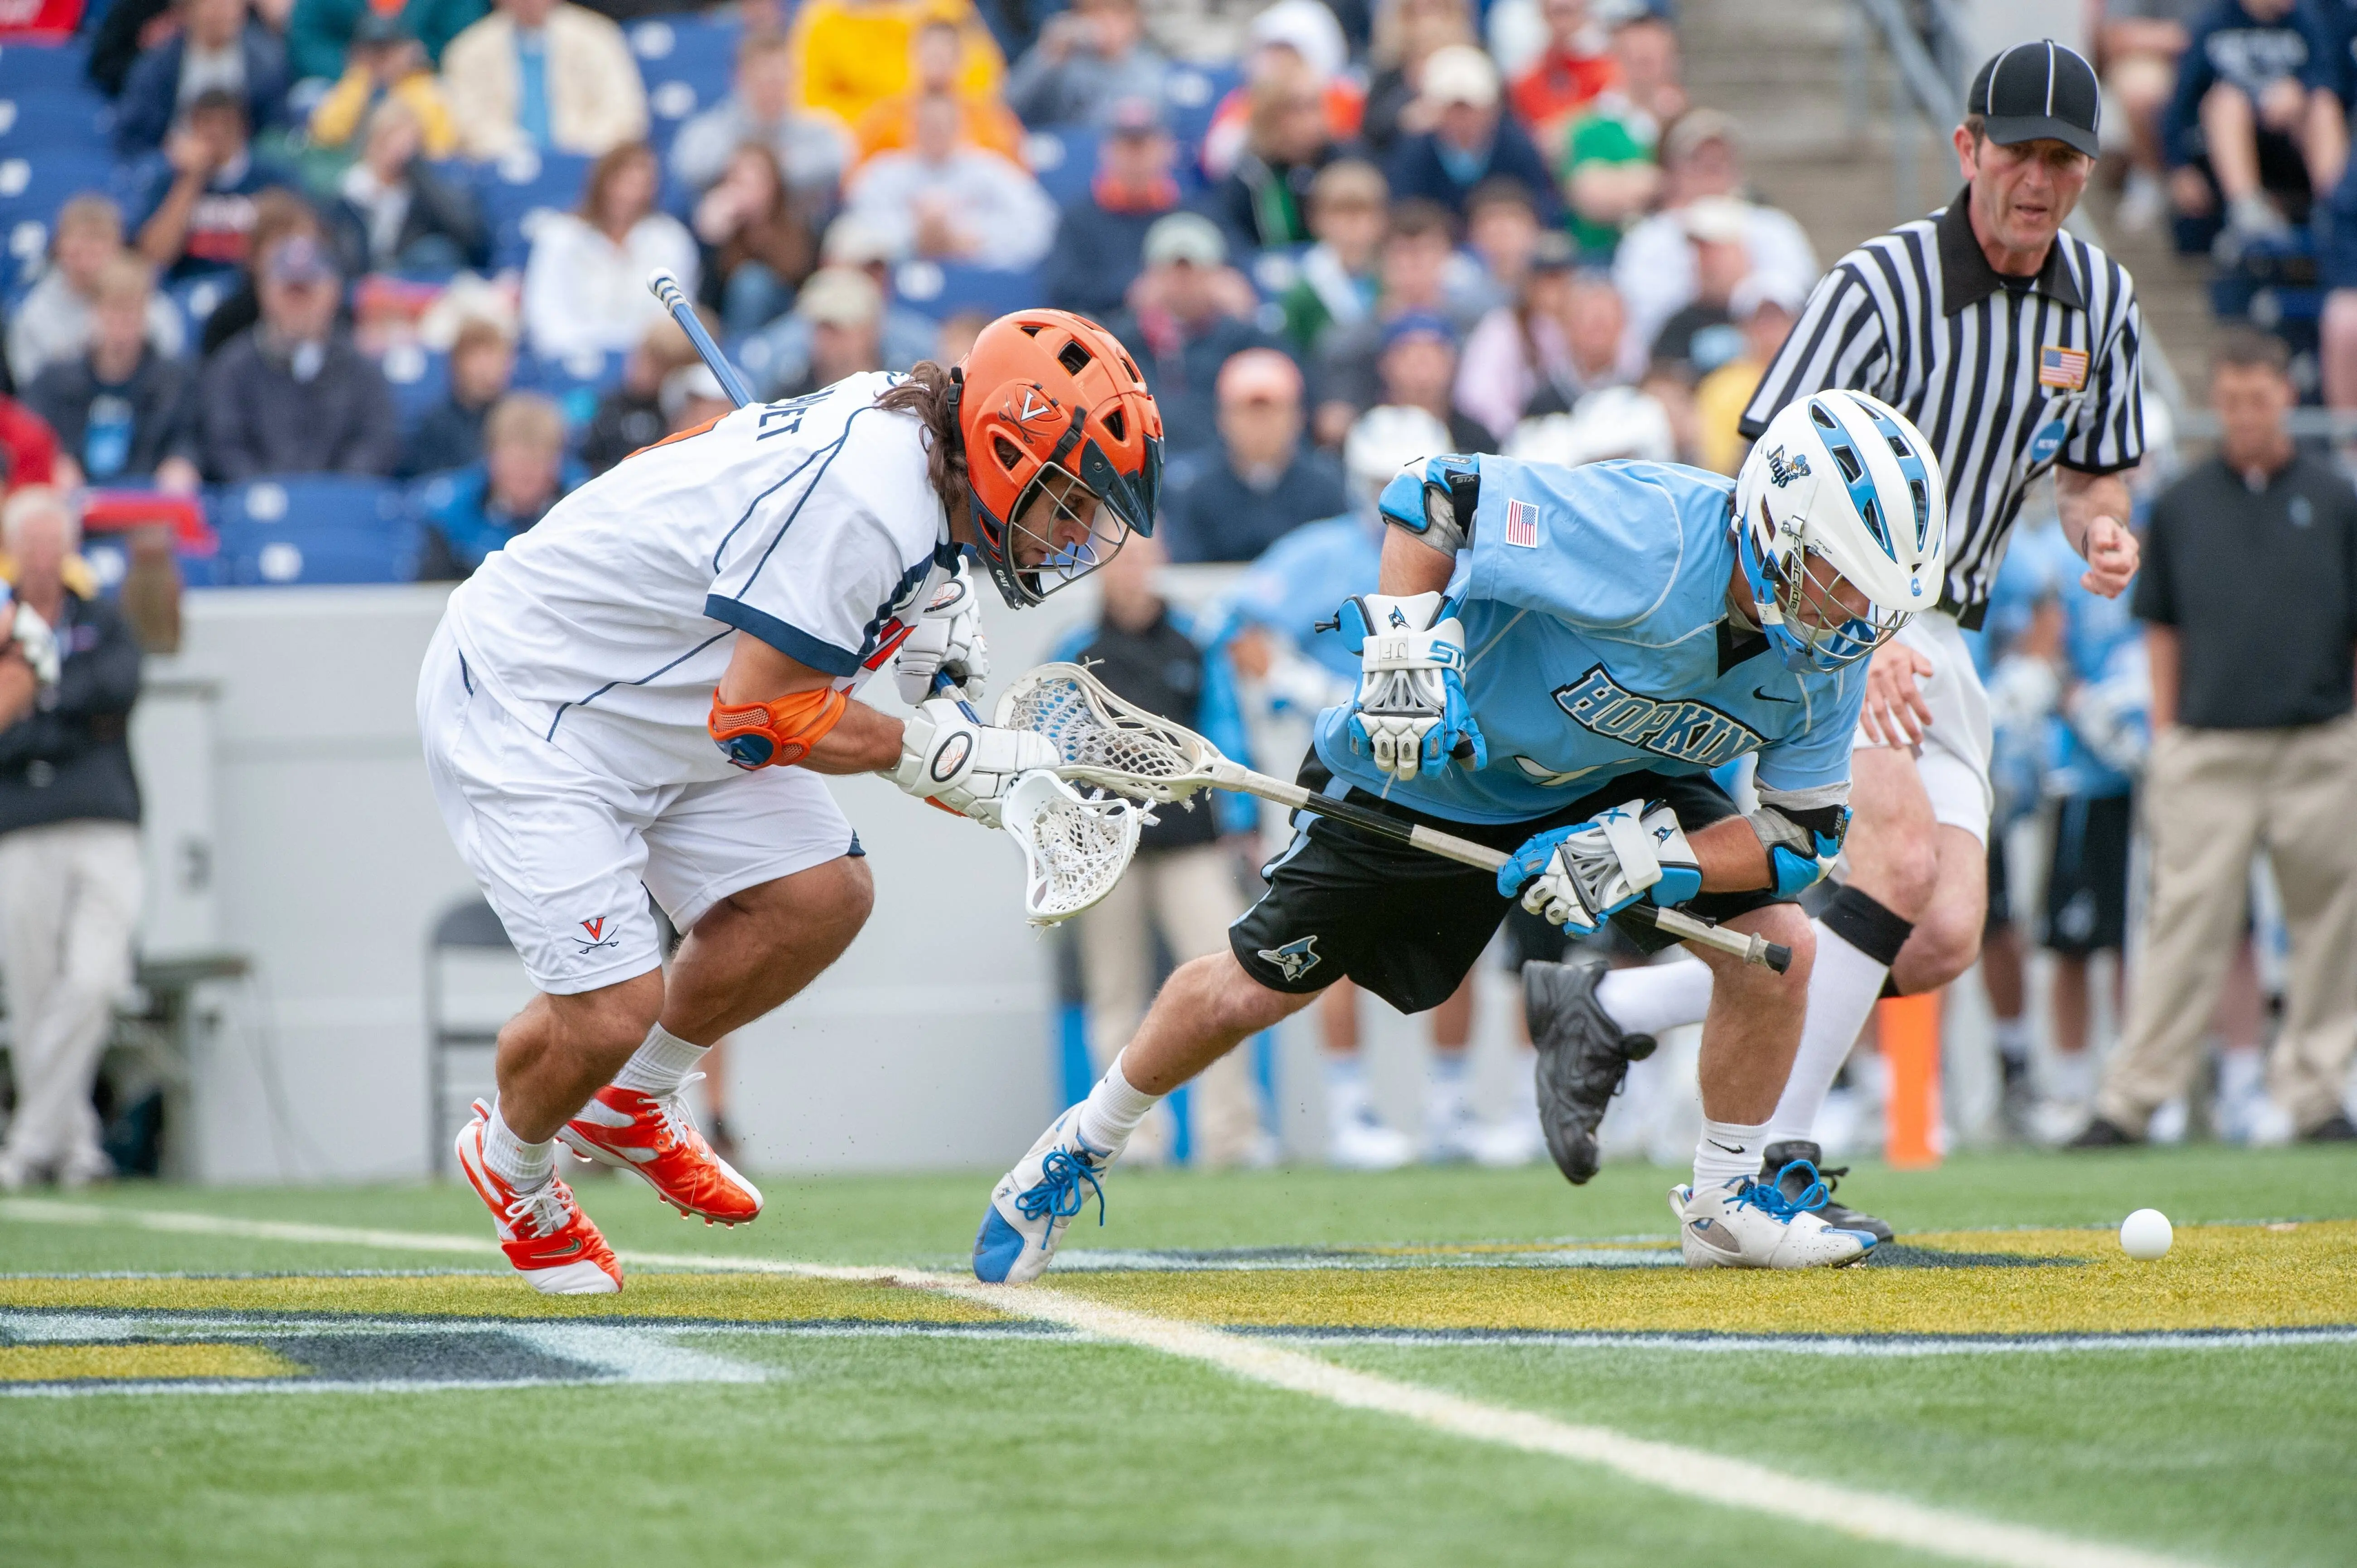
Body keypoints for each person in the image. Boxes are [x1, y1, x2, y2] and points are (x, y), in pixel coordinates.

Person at [974, 385, 1947, 1283]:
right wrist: (1404, 657)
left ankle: (1725, 1199)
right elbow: (1433, 494)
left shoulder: (1826, 658)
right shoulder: (1648, 534)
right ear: (1777, 526)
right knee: (1249, 988)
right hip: (1433, 760)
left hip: (1610, 776)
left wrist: (1649, 853)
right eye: (1838, 576)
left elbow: (1797, 837)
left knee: (1778, 943)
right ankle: (1079, 1141)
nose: (1856, 612)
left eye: (1873, 592)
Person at [417, 312, 1162, 1293]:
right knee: (610, 1008)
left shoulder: (917, 446)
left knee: (819, 896)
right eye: (1067, 501)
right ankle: (512, 1160)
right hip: (541, 699)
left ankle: (631, 1101)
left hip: (665, 696)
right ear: (1000, 450)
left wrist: (934, 623)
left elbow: (831, 596)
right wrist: (925, 751)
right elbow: (757, 713)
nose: (1074, 532)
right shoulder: (867, 502)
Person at [1568, 41, 2146, 1237]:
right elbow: (1770, 464)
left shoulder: (2103, 300)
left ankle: (1612, 1003)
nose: (2038, 178)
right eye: (2019, 152)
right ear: (1966, 147)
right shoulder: (1878, 286)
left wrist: (2104, 532)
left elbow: (2100, 472)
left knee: (1935, 939)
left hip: (1951, 636)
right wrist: (1852, 629)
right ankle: (1762, 1164)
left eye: (2062, 158)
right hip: (1833, 623)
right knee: (1887, 870)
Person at [1223, 404, 1541, 1166]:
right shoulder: (1319, 553)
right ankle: (1349, 1110)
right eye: (1378, 482)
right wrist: (1307, 686)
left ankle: (1447, 1107)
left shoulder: (1478, 553)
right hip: (1351, 765)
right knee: (1328, 924)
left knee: (1456, 924)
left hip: (1451, 768)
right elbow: (1242, 632)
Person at [2076, 329, 2357, 1147]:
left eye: (2257, 400)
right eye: (2229, 401)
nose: (2242, 415)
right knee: (2182, 925)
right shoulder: (2185, 505)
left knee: (2330, 922)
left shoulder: (2336, 500)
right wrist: (2166, 737)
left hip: (2318, 745)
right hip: (2207, 746)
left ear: (2286, 399)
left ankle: (2315, 1090)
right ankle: (2133, 1099)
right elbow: (2161, 630)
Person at [1055, 532, 1268, 1168]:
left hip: (1191, 845)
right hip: (1107, 852)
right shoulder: (1075, 652)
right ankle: (1127, 1141)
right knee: (1114, 994)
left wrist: (1246, 824)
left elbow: (1228, 735)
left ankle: (1229, 1137)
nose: (1131, 570)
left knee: (1225, 987)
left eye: (1143, 556)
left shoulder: (1195, 645)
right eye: (1117, 558)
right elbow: (1052, 752)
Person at [0, 490, 144, 1192]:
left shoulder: (100, 617)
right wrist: (59, 711)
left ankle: (29, 1141)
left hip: (103, 817)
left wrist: (42, 700)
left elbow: (119, 688)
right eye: (32, 544)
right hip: (21, 824)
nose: (44, 558)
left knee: (93, 979)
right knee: (31, 988)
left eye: (54, 544)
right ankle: (76, 1143)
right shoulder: (6, 626)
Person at [1609, 109, 1817, 362]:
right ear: (1673, 172)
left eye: (1720, 160)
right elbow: (1640, 325)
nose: (1711, 170)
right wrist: (1703, 290)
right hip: (1675, 367)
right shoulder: (1648, 239)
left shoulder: (1775, 228)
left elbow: (1801, 310)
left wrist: (1743, 287)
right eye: (1699, 160)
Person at [199, 234, 402, 480]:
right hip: (258, 507)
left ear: (333, 293)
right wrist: (271, 496)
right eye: (290, 293)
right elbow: (224, 444)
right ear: (265, 293)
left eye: (307, 293)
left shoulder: (361, 371)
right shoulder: (233, 367)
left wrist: (330, 496)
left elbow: (377, 441)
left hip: (342, 509)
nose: (298, 306)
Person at [1100, 212, 1286, 459]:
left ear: (1218, 277)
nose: (1183, 281)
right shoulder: (1120, 343)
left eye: (1193, 271)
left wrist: (1247, 315)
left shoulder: (1246, 340)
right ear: (1151, 277)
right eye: (1173, 271)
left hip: (1223, 467)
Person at [2162, 0, 2344, 246]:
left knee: (2323, 105)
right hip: (2226, 153)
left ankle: (2336, 210)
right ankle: (2248, 210)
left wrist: (2301, 89)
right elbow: (2180, 102)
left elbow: (2332, 80)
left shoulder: (2306, 19)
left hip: (2292, 146)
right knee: (2227, 99)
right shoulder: (2215, 21)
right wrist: (2180, 167)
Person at [1308, 197, 1484, 443]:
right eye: (1403, 254)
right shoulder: (1348, 343)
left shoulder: (1476, 330)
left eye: (1425, 252)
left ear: (1446, 257)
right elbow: (1335, 419)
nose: (1414, 265)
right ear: (1382, 262)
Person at [25, 256, 203, 495]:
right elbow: (31, 435)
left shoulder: (178, 381)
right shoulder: (53, 380)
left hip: (148, 507)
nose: (121, 326)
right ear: (94, 311)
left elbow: (191, 437)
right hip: (73, 507)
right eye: (113, 311)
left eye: (130, 313)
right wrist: (55, 462)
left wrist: (182, 461)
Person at [1158, 349, 1347, 563]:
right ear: (1223, 418)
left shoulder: (1325, 490)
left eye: (1272, 412)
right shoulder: (1198, 494)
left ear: (1298, 417)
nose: (1260, 425)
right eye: (1248, 412)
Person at [839, 92, 1057, 270]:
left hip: (975, 277)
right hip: (898, 278)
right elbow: (855, 228)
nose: (935, 133)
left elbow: (1039, 224)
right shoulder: (883, 173)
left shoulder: (991, 170)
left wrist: (975, 236)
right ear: (911, 127)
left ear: (960, 127)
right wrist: (914, 236)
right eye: (927, 125)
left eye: (943, 125)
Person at [522, 143, 698, 360]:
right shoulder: (559, 236)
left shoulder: (671, 239)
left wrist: (636, 354)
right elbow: (544, 318)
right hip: (572, 358)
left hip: (648, 364)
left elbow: (676, 318)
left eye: (640, 185)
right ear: (601, 183)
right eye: (621, 182)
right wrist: (594, 352)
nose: (628, 195)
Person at [7, 197, 187, 390]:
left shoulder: (152, 306)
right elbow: (31, 392)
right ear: (59, 246)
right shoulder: (35, 313)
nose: (87, 255)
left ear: (118, 246)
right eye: (78, 242)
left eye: (97, 241)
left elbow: (170, 379)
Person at [129, 88, 300, 286]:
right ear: (192, 127)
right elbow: (154, 256)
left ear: (243, 127)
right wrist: (191, 180)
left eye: (225, 124)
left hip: (252, 289)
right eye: (206, 123)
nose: (216, 132)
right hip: (185, 288)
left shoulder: (273, 179)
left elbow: (294, 251)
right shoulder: (168, 180)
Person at [440, 0, 649, 160]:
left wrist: (573, 151)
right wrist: (519, 152)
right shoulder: (468, 49)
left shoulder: (598, 36)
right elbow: (468, 121)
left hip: (588, 165)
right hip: (500, 167)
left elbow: (625, 112)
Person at [1455, 254, 1631, 443]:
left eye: (1605, 322)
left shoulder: (1637, 388)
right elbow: (1477, 398)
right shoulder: (1542, 404)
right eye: (1545, 282)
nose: (1552, 293)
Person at [1557, 10, 1685, 262]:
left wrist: (1627, 181)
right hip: (1607, 257)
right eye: (1637, 57)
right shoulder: (1592, 126)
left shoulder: (1685, 121)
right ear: (1616, 58)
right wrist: (1668, 184)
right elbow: (1591, 195)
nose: (1646, 65)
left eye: (1654, 56)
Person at [669, 32, 851, 205]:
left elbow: (837, 159)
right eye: (765, 80)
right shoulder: (713, 127)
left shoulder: (815, 126)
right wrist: (753, 168)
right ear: (740, 78)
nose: (774, 90)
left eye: (782, 79)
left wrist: (763, 168)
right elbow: (691, 166)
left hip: (804, 228)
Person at [1043, 96, 1183, 318]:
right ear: (1106, 151)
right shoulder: (1078, 220)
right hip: (1106, 335)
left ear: (1168, 150)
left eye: (1145, 144)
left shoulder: (1190, 214)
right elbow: (1061, 290)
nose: (1136, 156)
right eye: (1126, 145)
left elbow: (1235, 272)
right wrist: (1131, 292)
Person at [1383, 45, 1557, 223]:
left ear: (1492, 109)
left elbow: (1541, 203)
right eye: (1453, 109)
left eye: (1470, 109)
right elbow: (1402, 208)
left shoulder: (1517, 147)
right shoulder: (1414, 152)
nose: (1462, 119)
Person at [416, 393, 581, 579]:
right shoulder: (452, 515)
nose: (526, 472)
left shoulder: (581, 512)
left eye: (537, 461)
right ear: (492, 458)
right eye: (516, 462)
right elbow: (431, 595)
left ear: (557, 464)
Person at [328, 96, 492, 275]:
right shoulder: (352, 188)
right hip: (361, 275)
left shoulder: (420, 191)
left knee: (436, 252)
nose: (398, 151)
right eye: (389, 140)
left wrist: (418, 169)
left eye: (410, 144)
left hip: (405, 275)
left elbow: (468, 233)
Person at [788, 0, 1005, 134]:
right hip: (865, 145)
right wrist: (891, 119)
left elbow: (984, 81)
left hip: (952, 137)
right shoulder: (823, 20)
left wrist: (937, 115)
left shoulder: (948, 10)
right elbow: (812, 104)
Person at [114, 0, 290, 159]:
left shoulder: (268, 66)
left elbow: (276, 134)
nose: (221, 11)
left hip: (244, 177)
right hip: (173, 168)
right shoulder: (157, 67)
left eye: (230, 3)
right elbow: (133, 137)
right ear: (186, 12)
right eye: (210, 4)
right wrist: (169, 154)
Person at [1210, 54, 1350, 252]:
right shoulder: (1249, 179)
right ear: (1269, 115)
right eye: (1296, 109)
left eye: (1315, 106)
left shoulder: (1345, 162)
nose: (1310, 120)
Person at [856, 15, 1026, 168]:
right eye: (930, 54)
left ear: (961, 61)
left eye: (944, 55)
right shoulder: (884, 119)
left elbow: (1016, 177)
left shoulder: (990, 119)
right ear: (913, 57)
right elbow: (859, 180)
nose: (937, 62)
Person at [2096, 0, 2201, 232]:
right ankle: (2152, 178)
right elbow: (2116, 35)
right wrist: (2193, 37)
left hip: (2232, 72)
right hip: (2167, 64)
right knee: (2140, 88)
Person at [692, 144, 818, 337]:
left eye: (754, 183)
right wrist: (710, 241)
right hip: (728, 330)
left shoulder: (800, 230)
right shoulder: (722, 235)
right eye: (737, 182)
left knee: (752, 283)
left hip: (782, 327)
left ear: (773, 187)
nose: (744, 192)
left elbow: (804, 292)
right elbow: (707, 304)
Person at [306, 12, 460, 159]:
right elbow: (326, 134)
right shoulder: (357, 82)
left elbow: (440, 148)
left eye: (388, 50)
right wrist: (362, 80)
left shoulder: (423, 88)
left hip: (410, 175)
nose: (381, 59)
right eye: (374, 51)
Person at [1690, 274, 1800, 476]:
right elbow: (1718, 465)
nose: (1769, 329)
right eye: (1761, 319)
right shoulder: (1721, 387)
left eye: (1778, 318)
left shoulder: (1810, 378)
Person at [1276, 158, 1388, 355]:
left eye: (1363, 213)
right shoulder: (1306, 288)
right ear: (1317, 219)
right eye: (1340, 213)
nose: (1352, 225)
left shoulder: (1392, 277)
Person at [1002, 0, 1167, 127]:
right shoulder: (1065, 62)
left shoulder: (1150, 70)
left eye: (1117, 15)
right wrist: (1046, 52)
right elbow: (1006, 102)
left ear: (1135, 21)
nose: (1108, 24)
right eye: (1097, 14)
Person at [577, 316, 701, 474]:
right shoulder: (609, 403)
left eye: (656, 366)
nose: (642, 370)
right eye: (640, 358)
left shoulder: (678, 415)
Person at [403, 316, 516, 477]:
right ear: (456, 363)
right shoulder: (435, 426)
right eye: (477, 358)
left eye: (493, 357)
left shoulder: (517, 422)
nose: (485, 367)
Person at [1370, 311, 1490, 452]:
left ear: (1453, 364)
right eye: (1410, 357)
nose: (1422, 371)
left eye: (1432, 357)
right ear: (1386, 363)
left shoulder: (1475, 439)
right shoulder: (1367, 429)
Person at [1508, 0, 1617, 156]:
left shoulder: (1607, 71)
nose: (1563, 24)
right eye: (1557, 13)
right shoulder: (1526, 80)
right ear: (1543, 16)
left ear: (1584, 14)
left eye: (1569, 12)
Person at [288, 0, 485, 83]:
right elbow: (306, 37)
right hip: (344, 84)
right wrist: (355, 66)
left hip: (425, 81)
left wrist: (418, 59)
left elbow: (469, 38)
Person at [769, 268, 889, 398]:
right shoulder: (790, 389)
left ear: (870, 330)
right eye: (822, 328)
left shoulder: (897, 383)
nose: (829, 340)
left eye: (839, 328)